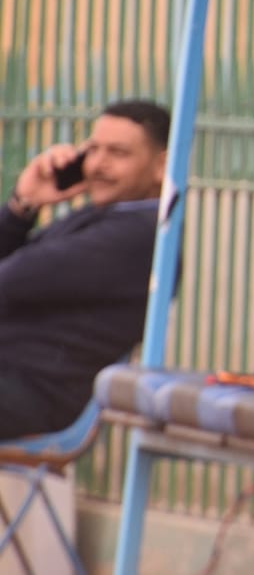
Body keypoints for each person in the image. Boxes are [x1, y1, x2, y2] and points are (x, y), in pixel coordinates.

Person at [0, 100, 169, 439]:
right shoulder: (106, 216)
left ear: (161, 166)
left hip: (35, 394)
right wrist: (23, 205)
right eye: (92, 149)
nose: (97, 165)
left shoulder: (136, 234)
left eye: (118, 153)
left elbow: (11, 279)